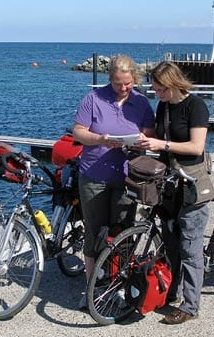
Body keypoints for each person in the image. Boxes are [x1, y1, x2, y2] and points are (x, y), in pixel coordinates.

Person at [72, 54, 155, 308]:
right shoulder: (94, 99)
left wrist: (141, 138)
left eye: (128, 83)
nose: (123, 88)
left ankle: (117, 284)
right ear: (111, 79)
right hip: (94, 175)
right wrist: (100, 139)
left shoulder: (141, 101)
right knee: (94, 232)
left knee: (123, 231)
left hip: (127, 176)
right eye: (118, 84)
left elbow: (150, 131)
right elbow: (78, 130)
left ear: (135, 79)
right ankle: (91, 287)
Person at [135, 61, 210, 324]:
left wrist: (161, 143)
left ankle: (190, 306)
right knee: (171, 245)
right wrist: (144, 139)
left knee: (190, 248)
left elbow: (196, 147)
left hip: (191, 185)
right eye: (155, 90)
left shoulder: (195, 106)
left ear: (174, 83)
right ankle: (172, 291)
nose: (158, 95)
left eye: (161, 90)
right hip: (169, 185)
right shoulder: (164, 106)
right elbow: (159, 139)